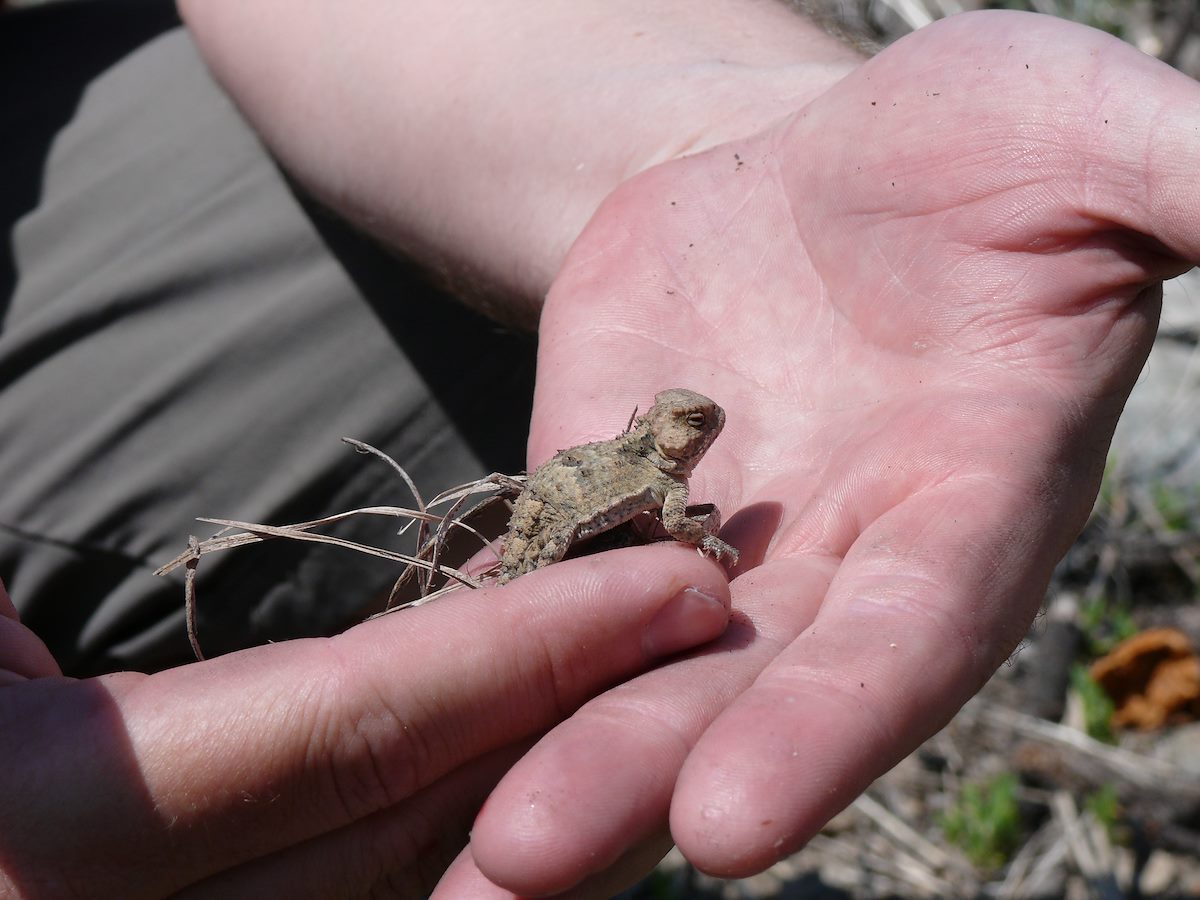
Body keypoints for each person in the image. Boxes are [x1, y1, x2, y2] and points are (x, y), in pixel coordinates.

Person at [3, 1, 1198, 897]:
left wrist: (742, 143)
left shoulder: (654, 457)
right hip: (548, 520)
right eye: (693, 430)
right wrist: (707, 543)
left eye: (696, 429)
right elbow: (670, 520)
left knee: (560, 296)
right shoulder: (663, 481)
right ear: (669, 438)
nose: (703, 435)